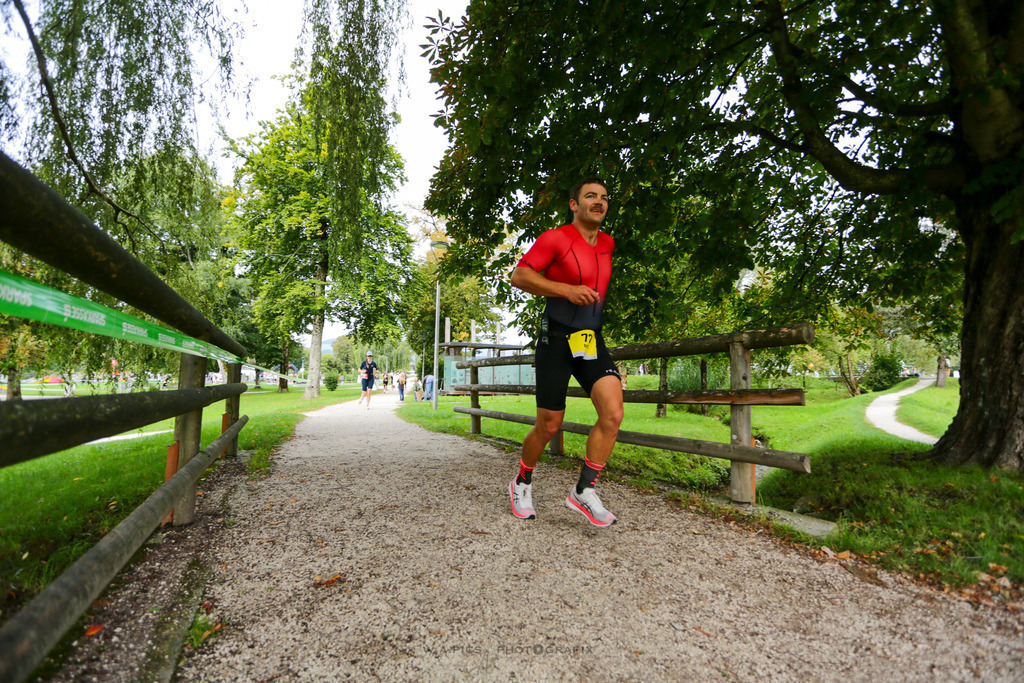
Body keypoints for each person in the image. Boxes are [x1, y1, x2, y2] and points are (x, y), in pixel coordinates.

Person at [508, 177, 624, 527]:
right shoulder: (555, 238)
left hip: (589, 338)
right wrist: (566, 290)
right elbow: (520, 276)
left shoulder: (608, 243)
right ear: (574, 204)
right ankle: (521, 483)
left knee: (613, 413)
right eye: (590, 196)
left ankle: (584, 491)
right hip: (555, 339)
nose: (598, 202)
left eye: (603, 197)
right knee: (549, 425)